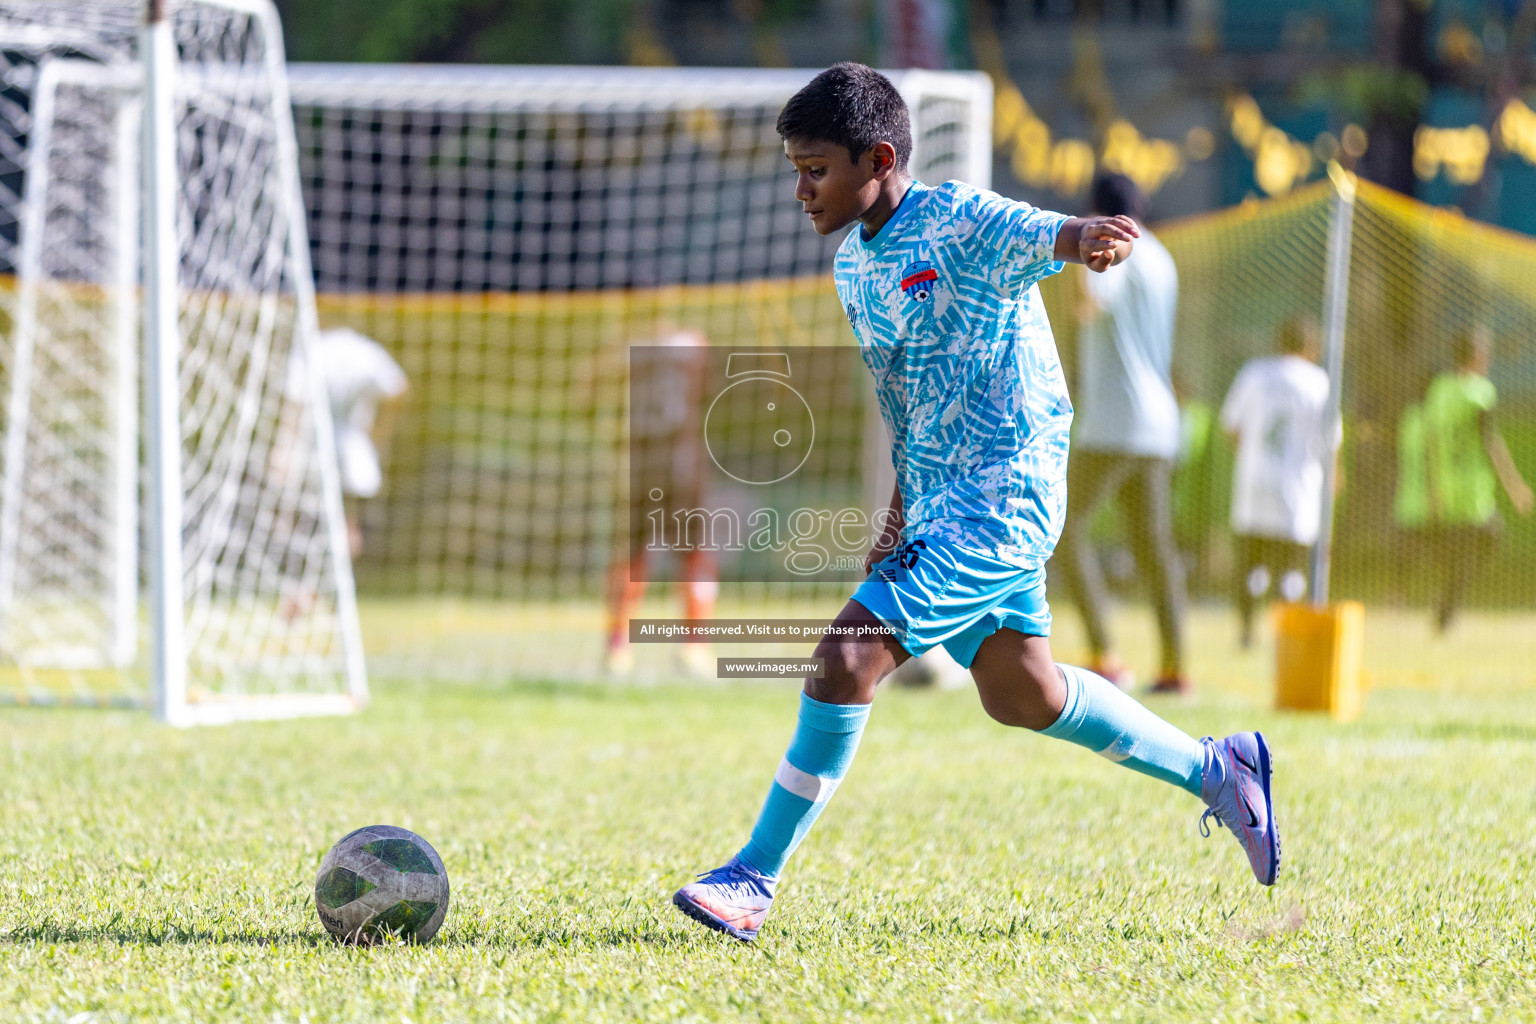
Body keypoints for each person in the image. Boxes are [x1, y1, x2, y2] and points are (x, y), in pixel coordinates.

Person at [670, 63, 1280, 944]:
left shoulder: (956, 216)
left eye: (815, 169)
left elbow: (1047, 233)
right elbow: (908, 401)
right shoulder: (853, 268)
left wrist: (1090, 237)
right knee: (1019, 692)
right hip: (942, 504)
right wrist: (896, 517)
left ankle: (752, 878)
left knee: (844, 659)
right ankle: (1221, 770)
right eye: (796, 170)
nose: (801, 190)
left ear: (878, 156)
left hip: (1006, 494)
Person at [1051, 173, 1188, 694]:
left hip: (1114, 423)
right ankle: (1177, 668)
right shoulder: (1161, 257)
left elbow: (1092, 300)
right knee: (1156, 548)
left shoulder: (1116, 246)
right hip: (1158, 421)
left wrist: (1082, 267)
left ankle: (1105, 655)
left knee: (1063, 530)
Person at [1398, 326, 1532, 632]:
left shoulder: (1439, 389)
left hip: (1445, 485)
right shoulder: (1480, 392)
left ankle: (1444, 604)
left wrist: (1432, 488)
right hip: (1472, 487)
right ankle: (1446, 607)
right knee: (1489, 538)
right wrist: (1514, 486)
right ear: (1476, 355)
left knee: (1459, 553)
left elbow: (1430, 442)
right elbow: (1490, 441)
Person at [605, 328, 718, 677]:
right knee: (696, 556)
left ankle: (617, 648)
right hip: (678, 463)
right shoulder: (692, 344)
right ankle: (694, 647)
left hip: (637, 462)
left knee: (632, 555)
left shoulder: (623, 347)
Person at [1219, 318, 1339, 647]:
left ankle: (1246, 630)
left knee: (1251, 561)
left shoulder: (1255, 372)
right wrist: (1334, 478)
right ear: (1311, 346)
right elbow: (1331, 439)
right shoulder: (1319, 382)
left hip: (1255, 480)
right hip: (1298, 484)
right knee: (1291, 567)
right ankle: (1288, 634)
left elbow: (1231, 426)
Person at [286, 325, 409, 557]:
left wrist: (285, 452)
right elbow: (399, 388)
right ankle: (342, 585)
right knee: (348, 523)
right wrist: (379, 432)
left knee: (309, 523)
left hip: (314, 449)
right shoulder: (365, 350)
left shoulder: (309, 350)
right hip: (355, 449)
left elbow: (294, 406)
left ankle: (311, 586)